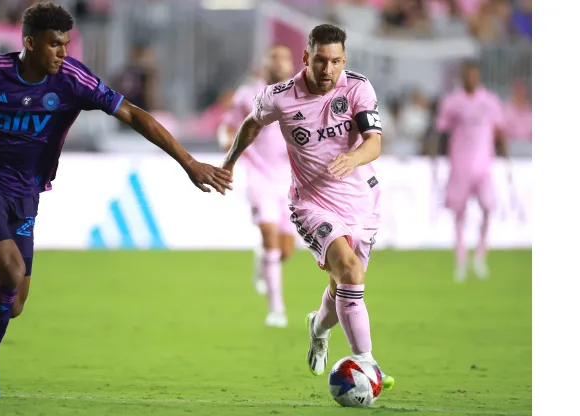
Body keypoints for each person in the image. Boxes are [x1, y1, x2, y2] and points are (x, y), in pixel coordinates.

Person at [0, 1, 232, 400]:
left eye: (66, 44)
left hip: (25, 193)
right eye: (55, 44)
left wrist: (189, 162)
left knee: (14, 301)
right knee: (10, 270)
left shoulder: (73, 80)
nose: (63, 52)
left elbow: (133, 114)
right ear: (29, 43)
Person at [220, 24, 394, 390]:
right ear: (306, 58)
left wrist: (353, 158)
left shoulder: (358, 87)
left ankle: (317, 327)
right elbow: (252, 125)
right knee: (348, 270)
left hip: (360, 200)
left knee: (343, 285)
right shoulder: (279, 96)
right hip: (311, 203)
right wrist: (230, 161)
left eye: (335, 61)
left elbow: (374, 142)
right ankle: (367, 364)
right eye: (320, 60)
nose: (327, 69)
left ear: (343, 60)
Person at [217, 45, 296, 328]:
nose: (279, 62)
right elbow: (227, 126)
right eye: (274, 57)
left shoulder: (301, 95)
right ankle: (277, 309)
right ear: (266, 63)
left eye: (285, 57)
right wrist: (228, 146)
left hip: (289, 178)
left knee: (285, 251)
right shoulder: (248, 95)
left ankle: (261, 259)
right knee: (269, 235)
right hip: (257, 173)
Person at [434, 60, 506, 282]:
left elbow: (499, 129)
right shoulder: (452, 102)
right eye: (467, 75)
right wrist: (437, 157)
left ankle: (481, 255)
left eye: (474, 75)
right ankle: (461, 258)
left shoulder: (490, 101)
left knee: (487, 207)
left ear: (479, 76)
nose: (471, 79)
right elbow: (442, 131)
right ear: (462, 77)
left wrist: (504, 153)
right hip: (460, 165)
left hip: (484, 166)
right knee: (459, 212)